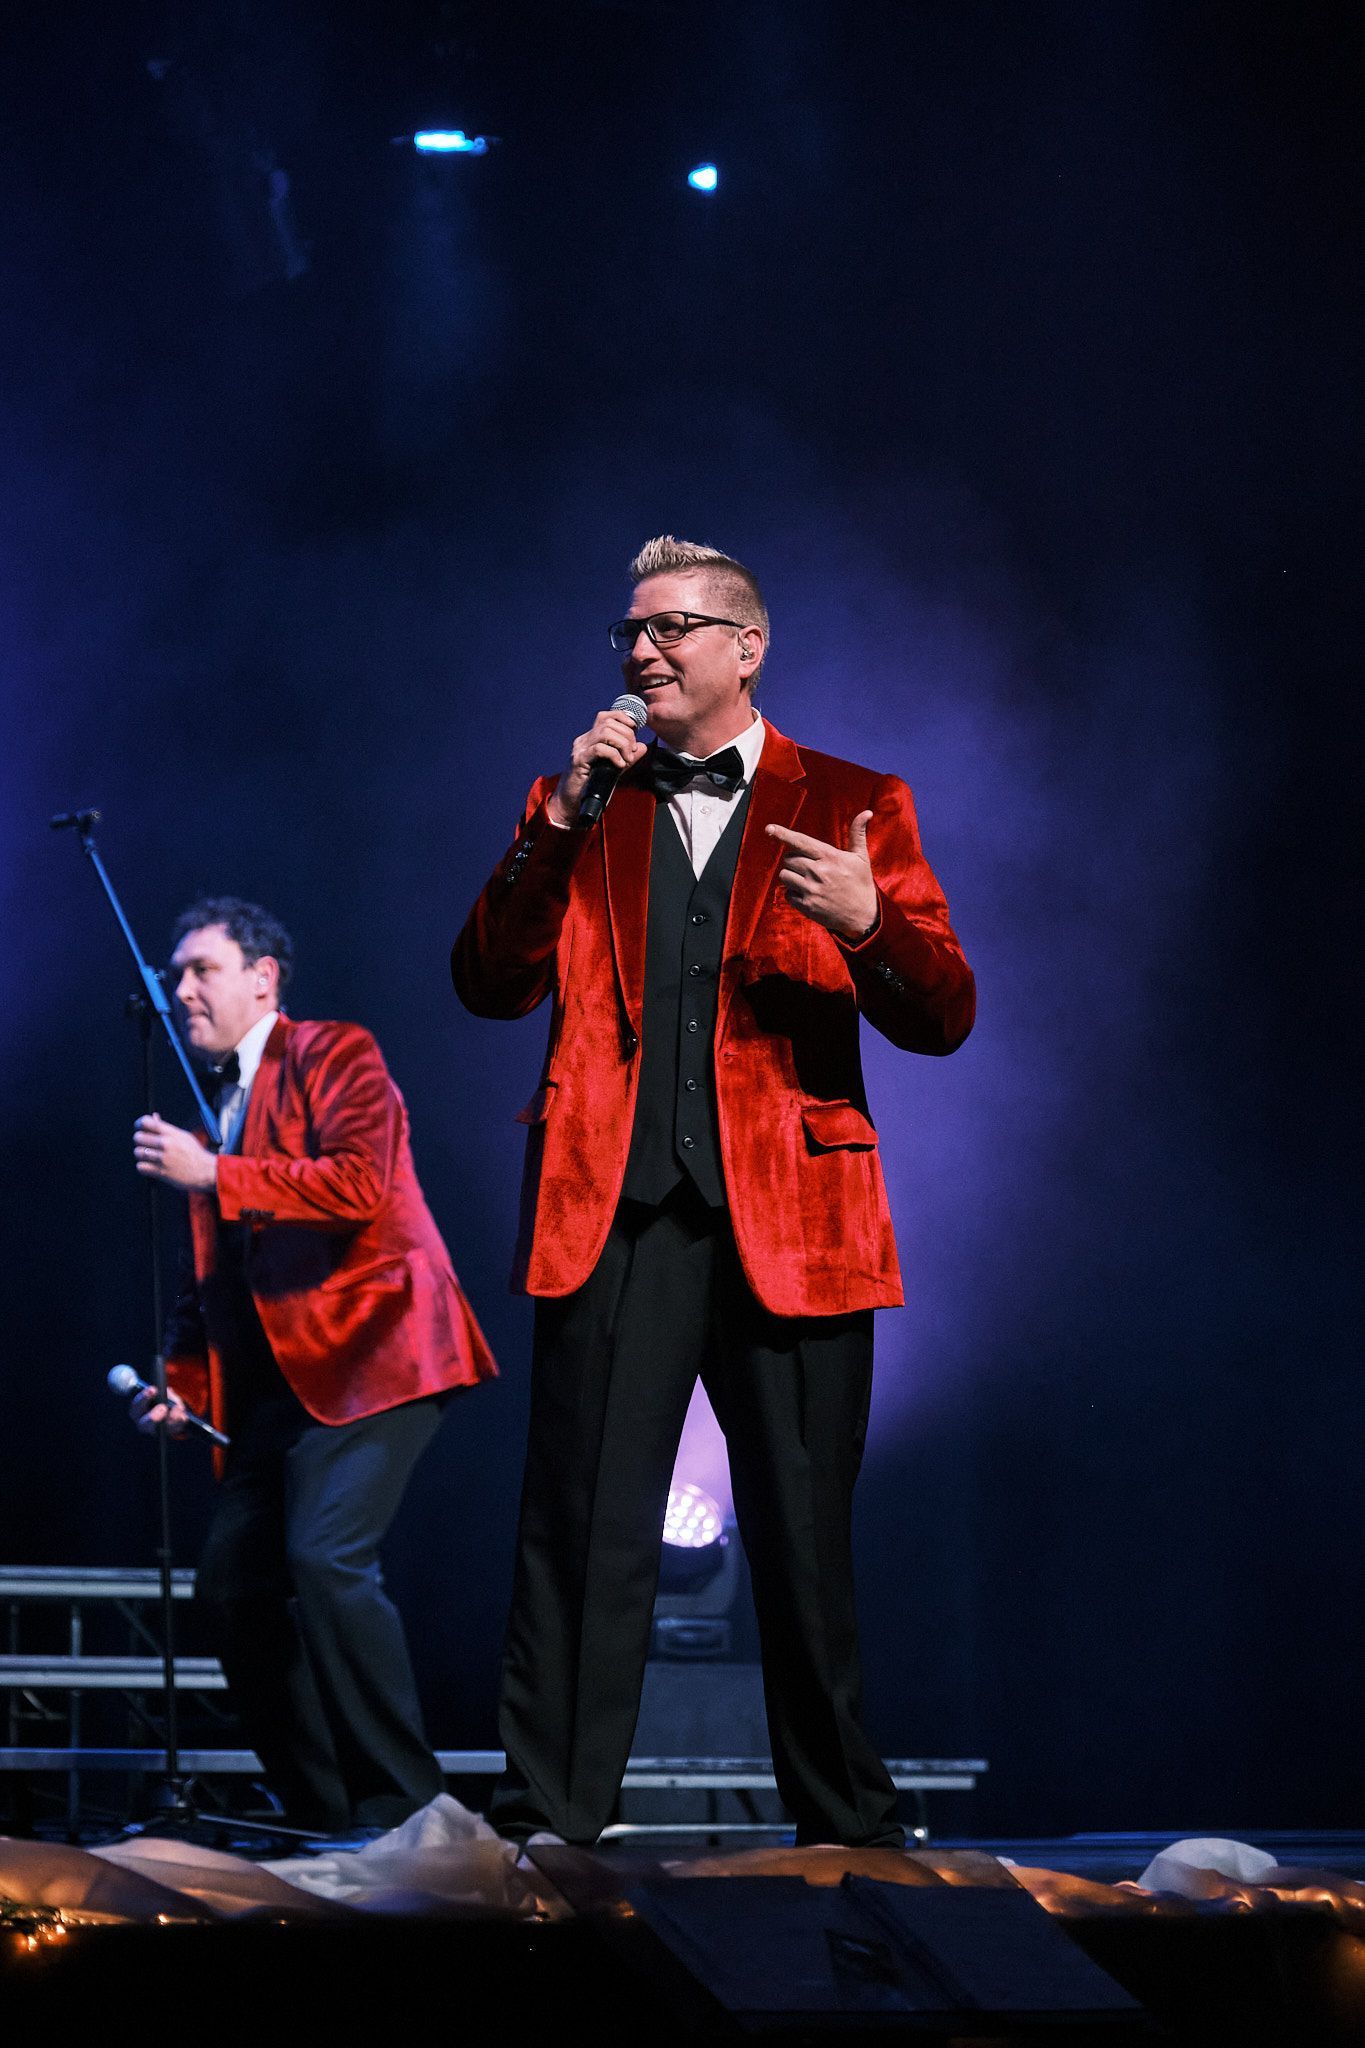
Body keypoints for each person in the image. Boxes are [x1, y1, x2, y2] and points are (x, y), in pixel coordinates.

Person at [452, 535, 975, 1847]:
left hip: (794, 1219)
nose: (642, 651)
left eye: (673, 626)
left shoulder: (854, 799)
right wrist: (559, 821)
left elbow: (947, 1013)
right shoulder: (580, 803)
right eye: (628, 631)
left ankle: (847, 1833)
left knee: (803, 1545)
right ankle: (545, 1828)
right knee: (583, 1535)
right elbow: (487, 978)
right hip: (613, 1211)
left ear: (748, 647)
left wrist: (869, 924)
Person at [130, 897, 496, 1832]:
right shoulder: (217, 1106)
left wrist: (214, 1173)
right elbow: (213, 1278)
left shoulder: (335, 1052)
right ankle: (323, 1807)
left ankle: (408, 1810)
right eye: (176, 975)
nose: (180, 992)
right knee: (231, 1587)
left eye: (200, 970)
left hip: (383, 1349)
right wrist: (182, 1386)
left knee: (325, 1554)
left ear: (264, 977)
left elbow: (356, 1184)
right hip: (287, 1384)